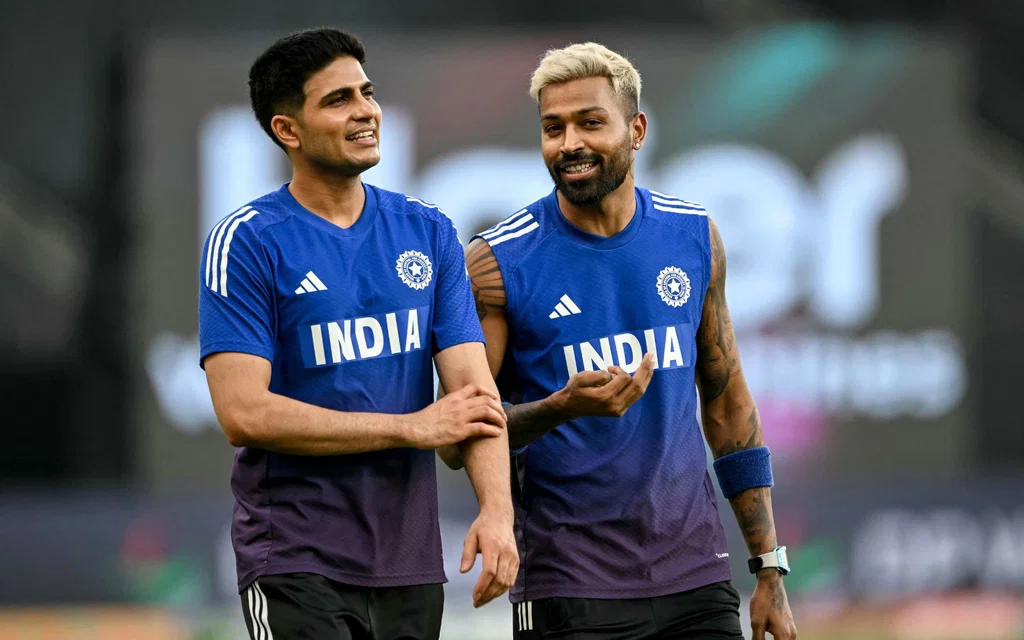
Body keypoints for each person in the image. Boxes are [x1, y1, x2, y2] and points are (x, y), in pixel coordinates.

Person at [439, 43, 798, 640]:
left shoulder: (693, 235)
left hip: (697, 581)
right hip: (570, 587)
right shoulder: (496, 263)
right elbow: (459, 438)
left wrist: (768, 570)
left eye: (590, 122)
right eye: (553, 128)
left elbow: (729, 403)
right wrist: (562, 407)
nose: (569, 142)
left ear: (636, 130)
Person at [199, 27, 517, 640]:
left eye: (366, 93)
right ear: (287, 130)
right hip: (293, 559)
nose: (366, 110)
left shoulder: (427, 231)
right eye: (338, 99)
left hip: (410, 564)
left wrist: (498, 514)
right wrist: (409, 427)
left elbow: (476, 398)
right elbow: (243, 412)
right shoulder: (247, 240)